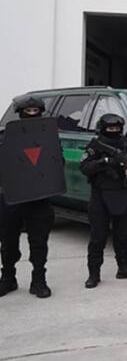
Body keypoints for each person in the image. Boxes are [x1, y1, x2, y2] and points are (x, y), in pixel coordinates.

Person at [79, 113, 127, 288]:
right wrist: (105, 162)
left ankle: (124, 268)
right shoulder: (94, 147)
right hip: (100, 197)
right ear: (102, 129)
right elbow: (84, 167)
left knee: (123, 236)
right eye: (110, 129)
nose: (114, 132)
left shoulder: (126, 148)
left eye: (117, 129)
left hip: (122, 195)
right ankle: (93, 275)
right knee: (98, 238)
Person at [0, 96, 55, 298]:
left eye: (35, 111)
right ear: (20, 112)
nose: (32, 114)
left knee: (39, 242)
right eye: (28, 111)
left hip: (38, 197)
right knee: (8, 242)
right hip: (12, 196)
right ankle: (8, 278)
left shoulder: (48, 136)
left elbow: (56, 163)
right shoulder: (6, 136)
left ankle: (39, 280)